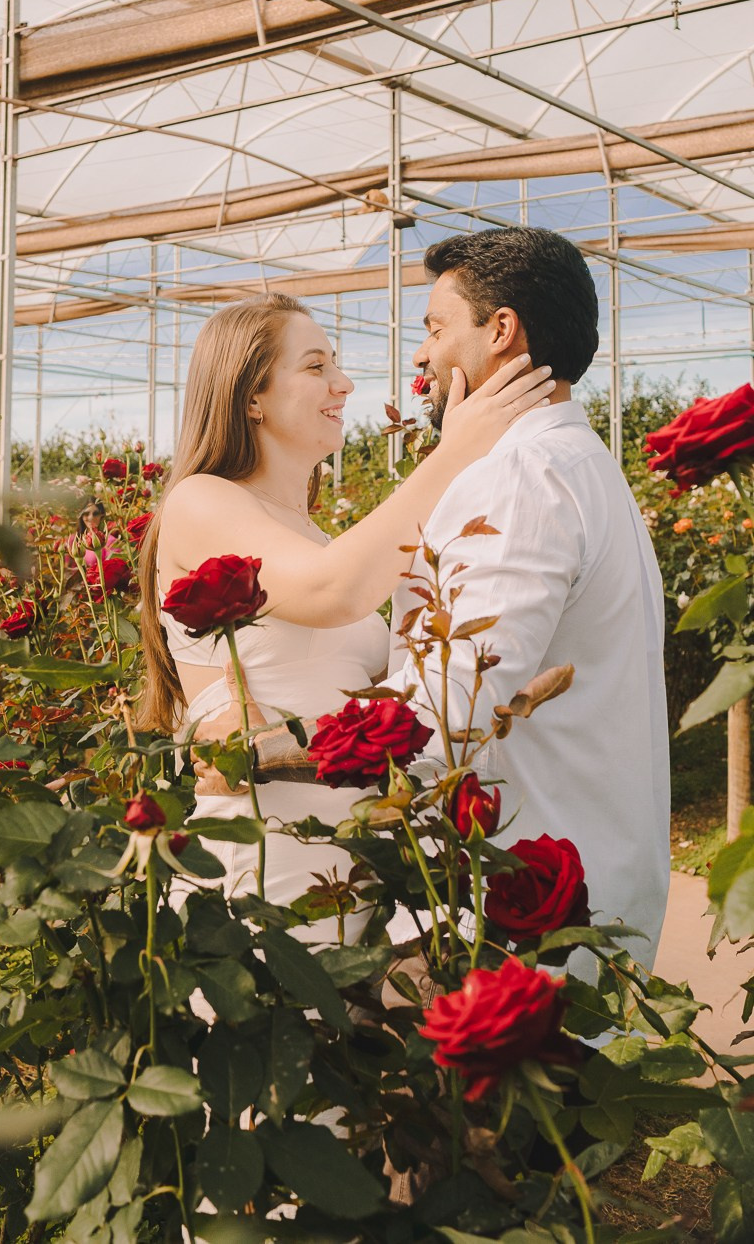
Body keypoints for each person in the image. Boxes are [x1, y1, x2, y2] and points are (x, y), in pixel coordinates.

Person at [138, 292, 553, 942]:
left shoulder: (308, 530)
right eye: (315, 366)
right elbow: (337, 591)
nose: (344, 383)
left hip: (345, 860)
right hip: (267, 864)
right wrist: (455, 453)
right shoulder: (201, 500)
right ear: (251, 397)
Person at [387, 227, 671, 967]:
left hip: (515, 915)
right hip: (588, 880)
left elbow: (445, 710)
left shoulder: (522, 475)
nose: (422, 355)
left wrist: (282, 748)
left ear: (501, 330)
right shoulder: (581, 462)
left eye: (437, 328)